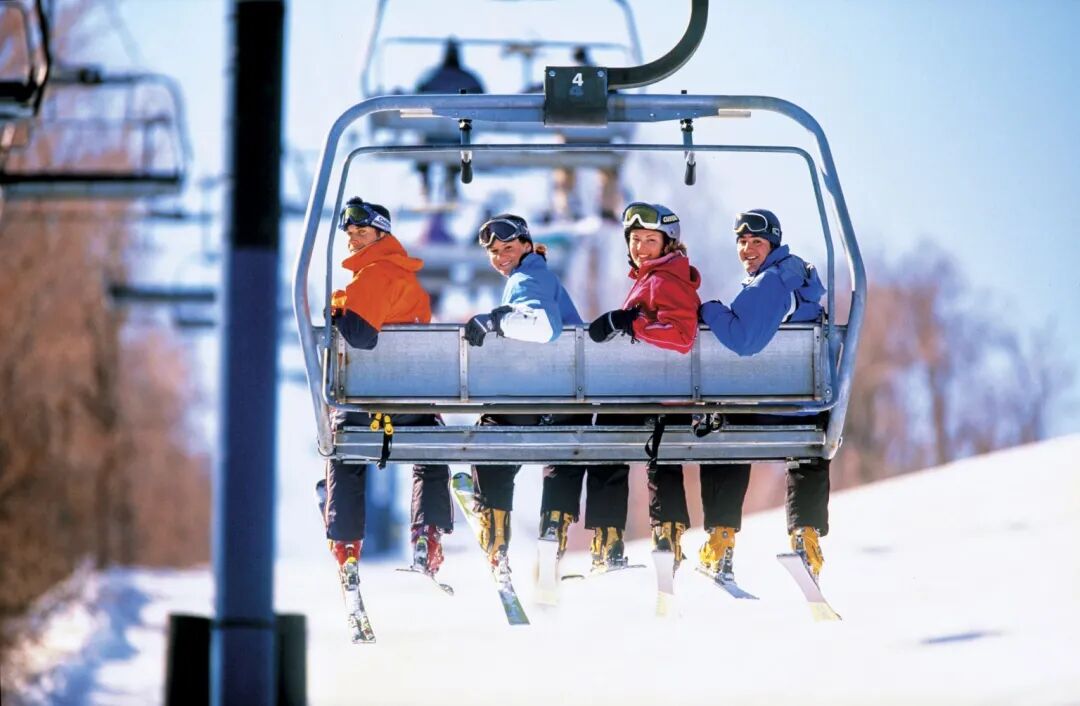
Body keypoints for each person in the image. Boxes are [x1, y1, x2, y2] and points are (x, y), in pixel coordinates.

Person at [320, 197, 453, 593]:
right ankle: (427, 532)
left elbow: (362, 336)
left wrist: (336, 314)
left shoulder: (375, 275)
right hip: (410, 406)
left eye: (362, 232)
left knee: (343, 449)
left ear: (382, 235)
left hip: (368, 405)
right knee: (430, 448)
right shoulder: (407, 279)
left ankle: (345, 542)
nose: (353, 239)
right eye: (350, 233)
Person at [698, 208, 829, 581]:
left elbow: (745, 340)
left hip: (771, 404)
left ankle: (721, 537)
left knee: (721, 430)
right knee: (810, 449)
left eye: (756, 241)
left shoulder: (773, 281)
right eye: (742, 242)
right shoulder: (792, 276)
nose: (747, 249)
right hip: (805, 406)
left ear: (773, 244)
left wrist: (710, 310)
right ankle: (806, 535)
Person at [463, 213, 594, 578]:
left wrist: (495, 321)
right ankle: (553, 530)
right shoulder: (539, 276)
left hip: (537, 394)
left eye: (508, 248)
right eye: (494, 252)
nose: (500, 257)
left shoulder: (527, 278)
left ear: (526, 245)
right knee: (564, 457)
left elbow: (545, 328)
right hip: (572, 399)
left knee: (491, 436)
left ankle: (495, 531)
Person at [587, 202, 701, 572]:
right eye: (635, 239)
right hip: (659, 393)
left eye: (650, 240)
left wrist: (628, 324)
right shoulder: (654, 277)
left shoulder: (665, 279)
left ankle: (609, 539)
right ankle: (665, 536)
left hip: (660, 394)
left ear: (668, 243)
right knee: (658, 461)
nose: (640, 248)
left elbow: (682, 337)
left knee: (607, 446)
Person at [414, 38, 485, 201]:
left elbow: (416, 99)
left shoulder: (430, 77)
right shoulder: (470, 79)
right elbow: (482, 102)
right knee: (458, 148)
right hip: (454, 135)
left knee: (426, 148)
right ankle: (445, 184)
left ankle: (430, 185)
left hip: (436, 134)